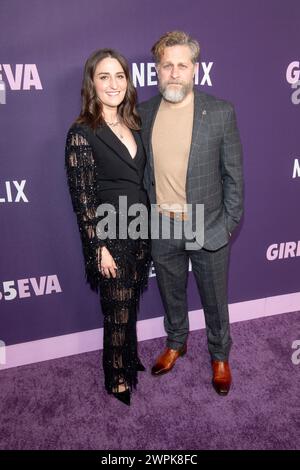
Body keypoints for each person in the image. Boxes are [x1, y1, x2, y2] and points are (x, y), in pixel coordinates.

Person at [139, 31, 244, 395]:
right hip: (162, 225)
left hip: (207, 225)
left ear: (194, 69)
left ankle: (219, 355)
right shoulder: (144, 113)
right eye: (167, 65)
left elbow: (234, 176)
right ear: (157, 70)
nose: (174, 73)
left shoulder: (219, 112)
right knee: (171, 292)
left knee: (215, 297)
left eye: (182, 65)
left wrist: (227, 225)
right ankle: (176, 342)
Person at [65, 49, 151, 406]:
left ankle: (129, 358)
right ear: (92, 83)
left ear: (127, 82)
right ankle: (115, 376)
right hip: (110, 234)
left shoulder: (134, 122)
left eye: (119, 76)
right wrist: (98, 247)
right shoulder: (82, 132)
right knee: (116, 309)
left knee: (130, 303)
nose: (113, 84)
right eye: (104, 76)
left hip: (138, 228)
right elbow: (83, 199)